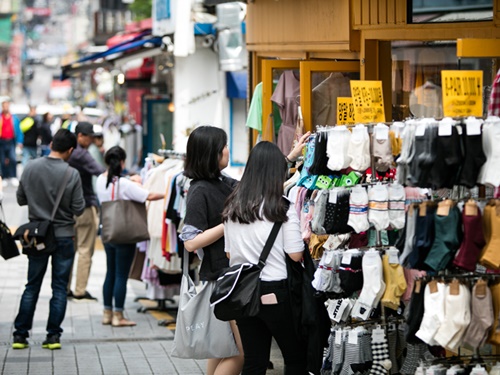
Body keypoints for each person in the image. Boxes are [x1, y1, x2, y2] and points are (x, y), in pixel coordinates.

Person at [222, 141, 308, 374]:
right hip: (275, 292)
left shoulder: (232, 207)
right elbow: (295, 253)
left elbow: (229, 253)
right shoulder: (282, 207)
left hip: (243, 293)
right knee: (295, 357)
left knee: (254, 361)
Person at [12, 128, 85, 350]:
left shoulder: (30, 166)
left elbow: (20, 199)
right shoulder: (71, 174)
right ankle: (52, 337)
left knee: (31, 285)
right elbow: (79, 208)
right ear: (70, 150)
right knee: (60, 288)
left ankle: (20, 336)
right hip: (64, 236)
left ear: (52, 143)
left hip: (37, 237)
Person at [180, 125, 244, 375]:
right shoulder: (200, 190)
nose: (228, 150)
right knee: (240, 352)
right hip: (222, 277)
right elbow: (191, 242)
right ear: (212, 153)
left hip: (225, 275)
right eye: (224, 146)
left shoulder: (220, 182)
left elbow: (252, 185)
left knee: (222, 347)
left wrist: (289, 160)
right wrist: (226, 224)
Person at [96, 146, 164, 326]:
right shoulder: (124, 185)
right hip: (124, 234)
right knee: (121, 275)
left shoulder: (100, 181)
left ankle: (107, 313)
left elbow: (116, 183)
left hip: (107, 231)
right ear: (122, 162)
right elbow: (149, 196)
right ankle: (119, 316)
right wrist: (167, 193)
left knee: (110, 272)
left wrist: (130, 180)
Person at [67, 122, 106, 300]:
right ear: (80, 136)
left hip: (67, 208)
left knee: (70, 250)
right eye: (89, 136)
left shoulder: (66, 152)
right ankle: (80, 290)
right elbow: (101, 171)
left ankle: (65, 288)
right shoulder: (81, 154)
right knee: (84, 250)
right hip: (84, 207)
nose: (92, 140)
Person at [0, 100, 22, 187]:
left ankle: (13, 176)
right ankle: (4, 177)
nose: (5, 107)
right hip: (2, 141)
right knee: (2, 160)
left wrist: (20, 141)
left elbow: (19, 131)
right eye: (4, 106)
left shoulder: (14, 118)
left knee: (13, 159)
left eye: (7, 106)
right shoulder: (1, 117)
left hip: (11, 141)